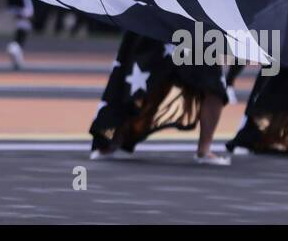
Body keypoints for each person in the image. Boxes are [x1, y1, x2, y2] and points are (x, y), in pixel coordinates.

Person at [89, 32, 231, 166]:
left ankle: (204, 149)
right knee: (136, 78)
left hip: (194, 19)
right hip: (157, 14)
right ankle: (111, 136)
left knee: (214, 85)